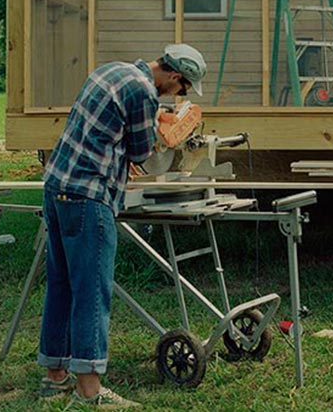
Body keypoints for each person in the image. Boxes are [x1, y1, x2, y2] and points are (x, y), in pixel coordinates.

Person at [38, 44, 206, 408]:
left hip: (57, 188)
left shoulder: (111, 70)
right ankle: (90, 392)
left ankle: (55, 377)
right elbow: (144, 152)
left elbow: (101, 133)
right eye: (184, 89)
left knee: (62, 284)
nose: (180, 96)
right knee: (93, 293)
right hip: (88, 195)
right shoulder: (143, 92)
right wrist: (168, 127)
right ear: (175, 77)